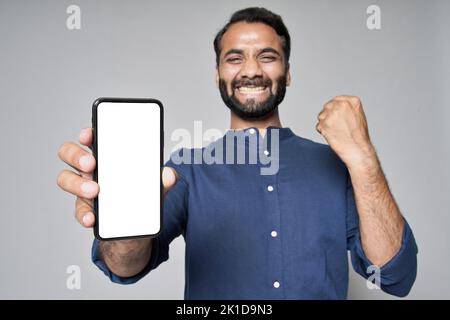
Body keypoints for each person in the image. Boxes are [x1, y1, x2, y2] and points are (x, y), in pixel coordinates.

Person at [57, 7, 417, 299]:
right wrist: (119, 212)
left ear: (287, 73)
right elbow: (124, 267)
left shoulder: (337, 167)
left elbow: (394, 276)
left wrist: (363, 156)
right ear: (217, 74)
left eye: (267, 56)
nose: (251, 70)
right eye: (234, 58)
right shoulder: (186, 169)